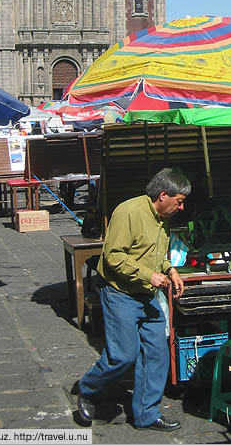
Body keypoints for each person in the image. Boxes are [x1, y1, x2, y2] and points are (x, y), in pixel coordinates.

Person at [77, 168, 191, 430]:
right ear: (163, 195)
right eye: (179, 201)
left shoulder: (163, 218)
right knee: (123, 356)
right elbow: (113, 256)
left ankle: (146, 414)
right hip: (120, 293)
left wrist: (169, 270)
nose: (181, 207)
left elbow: (157, 254)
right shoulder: (128, 212)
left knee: (157, 354)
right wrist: (148, 275)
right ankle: (88, 389)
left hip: (147, 294)